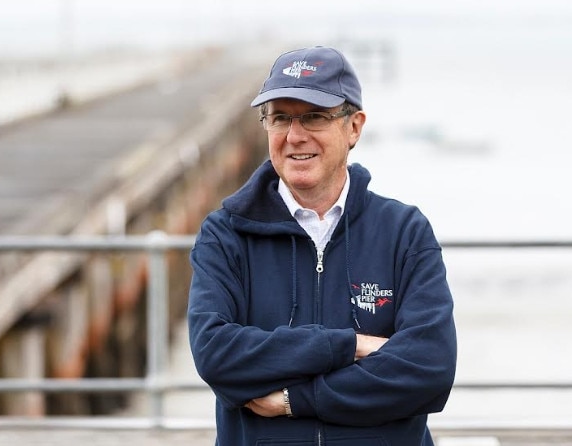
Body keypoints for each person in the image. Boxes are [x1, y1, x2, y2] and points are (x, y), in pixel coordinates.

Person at [187, 46, 457, 446]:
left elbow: (428, 369)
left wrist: (295, 399)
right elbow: (217, 354)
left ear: (354, 127)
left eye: (314, 116)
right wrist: (351, 345)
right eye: (280, 117)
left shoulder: (404, 231)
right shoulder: (226, 235)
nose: (295, 136)